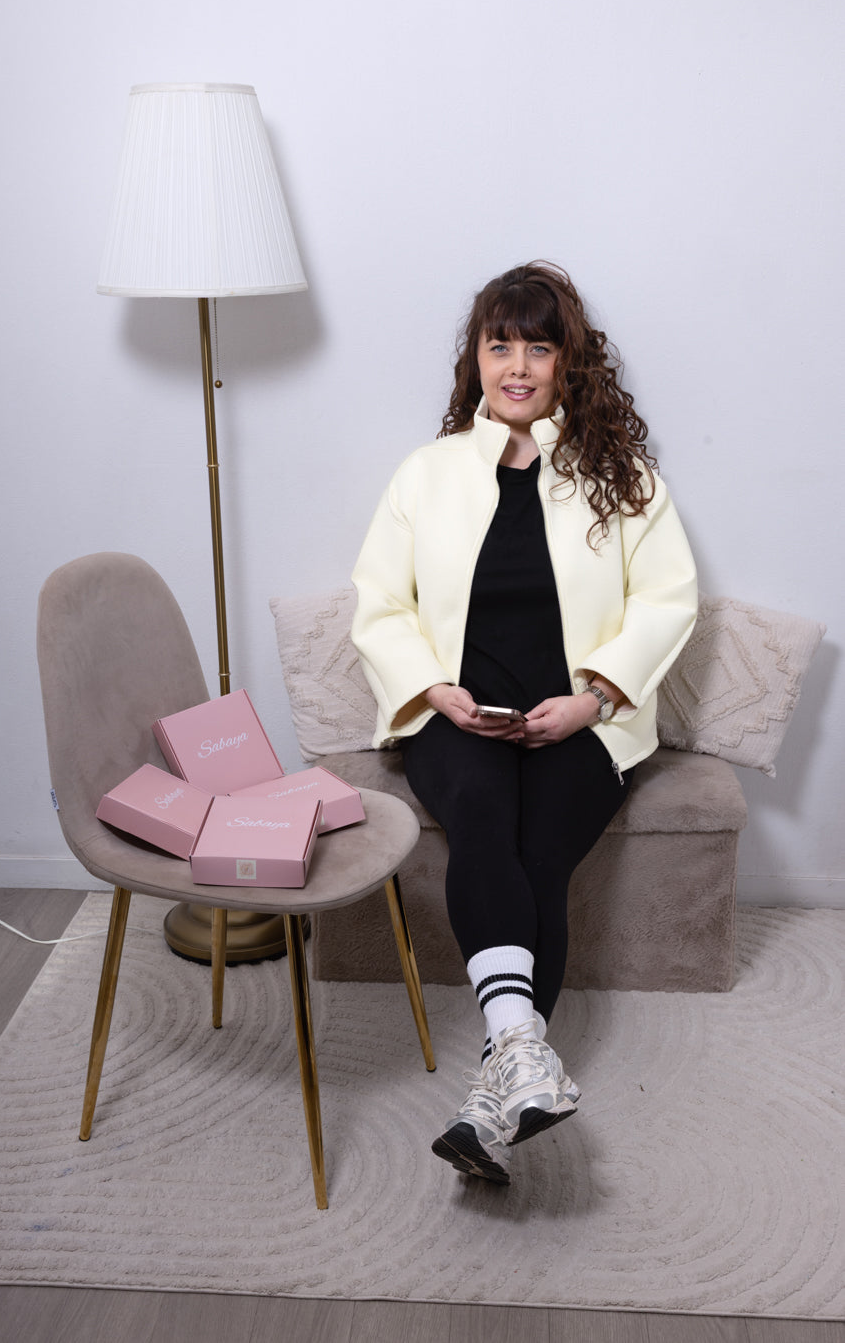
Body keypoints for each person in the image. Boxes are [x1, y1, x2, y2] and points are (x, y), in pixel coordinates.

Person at [350, 261, 697, 1185]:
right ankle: (522, 1054)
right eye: (499, 344)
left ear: (565, 361)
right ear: (475, 357)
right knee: (480, 821)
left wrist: (594, 698)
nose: (516, 366)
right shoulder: (425, 475)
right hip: (454, 716)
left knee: (540, 854)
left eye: (538, 347)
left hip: (579, 722)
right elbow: (380, 604)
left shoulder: (620, 476)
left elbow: (667, 600)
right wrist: (433, 690)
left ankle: (493, 1094)